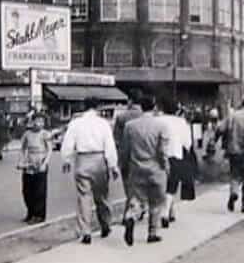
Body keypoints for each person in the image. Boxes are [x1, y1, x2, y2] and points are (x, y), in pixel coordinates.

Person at [61, 97, 119, 245]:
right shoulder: (103, 124)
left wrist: (66, 160)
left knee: (84, 196)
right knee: (102, 196)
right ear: (98, 108)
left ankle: (85, 230)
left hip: (82, 160)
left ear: (83, 106)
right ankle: (105, 224)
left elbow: (68, 143)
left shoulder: (75, 124)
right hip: (100, 159)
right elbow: (109, 146)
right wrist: (113, 165)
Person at [120, 94, 169, 246]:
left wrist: (124, 166)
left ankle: (131, 216)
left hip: (137, 168)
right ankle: (152, 233)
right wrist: (165, 166)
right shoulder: (161, 125)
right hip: (155, 168)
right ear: (154, 107)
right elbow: (162, 151)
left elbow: (125, 150)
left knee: (136, 198)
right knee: (156, 202)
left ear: (141, 107)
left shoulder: (130, 126)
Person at [155, 96, 194, 228]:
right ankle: (165, 213)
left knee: (162, 185)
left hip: (158, 157)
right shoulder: (181, 122)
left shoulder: (157, 121)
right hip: (175, 155)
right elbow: (187, 143)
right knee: (171, 186)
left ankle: (170, 212)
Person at [112, 89, 145, 222]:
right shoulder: (147, 117)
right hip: (144, 156)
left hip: (127, 156)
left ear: (130, 101)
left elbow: (116, 140)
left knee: (128, 186)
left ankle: (130, 212)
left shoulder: (122, 117)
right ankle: (138, 207)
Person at [17, 112, 52, 224]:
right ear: (32, 121)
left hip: (40, 163)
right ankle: (30, 212)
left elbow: (49, 150)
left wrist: (44, 163)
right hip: (29, 164)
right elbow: (22, 149)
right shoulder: (27, 134)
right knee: (27, 191)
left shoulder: (45, 134)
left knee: (39, 192)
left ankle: (39, 215)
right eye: (37, 121)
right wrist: (21, 162)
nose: (39, 124)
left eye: (42, 121)